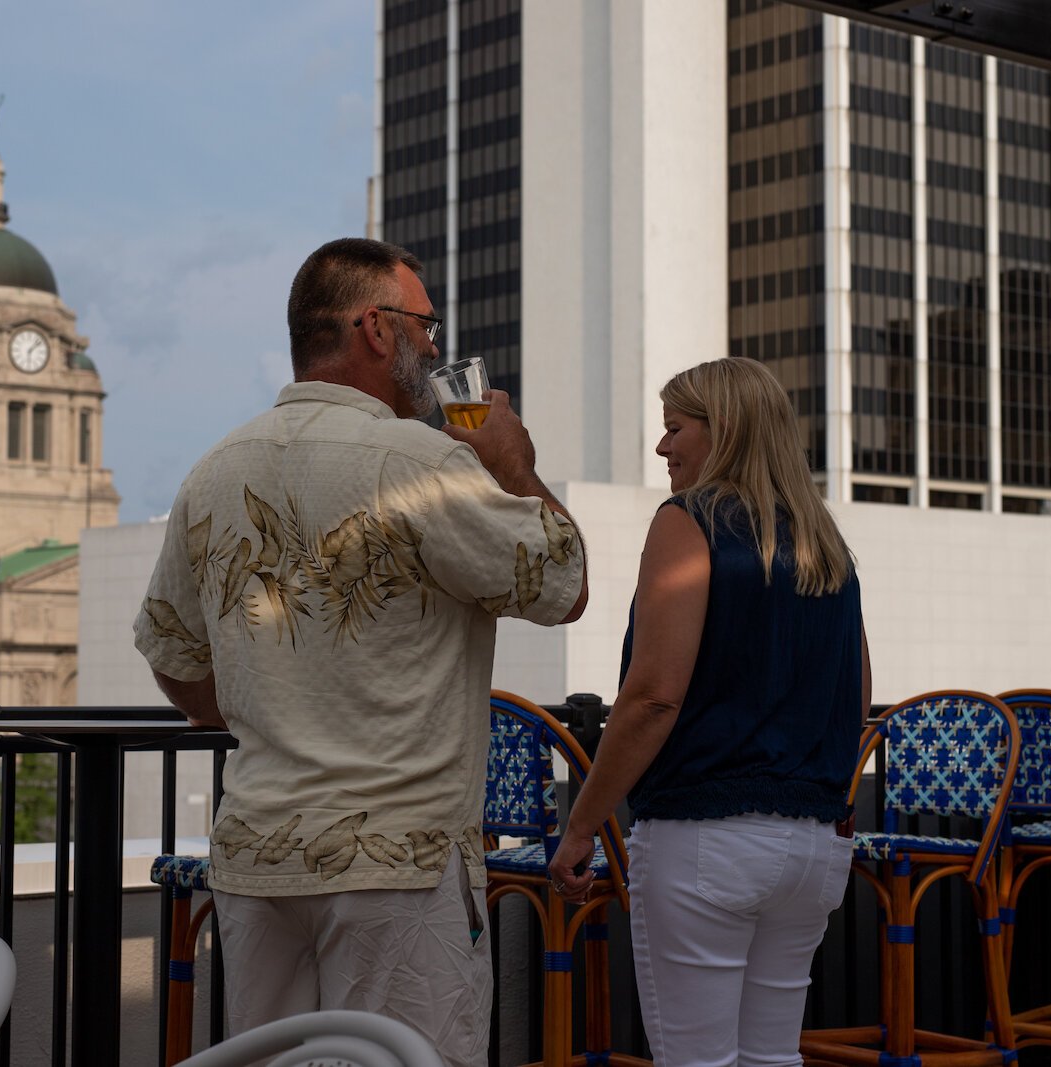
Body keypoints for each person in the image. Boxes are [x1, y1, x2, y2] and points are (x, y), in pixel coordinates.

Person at [133, 237, 588, 1065]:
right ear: (375, 328)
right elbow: (562, 583)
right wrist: (516, 466)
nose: (437, 346)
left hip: (259, 856)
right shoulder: (424, 461)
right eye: (427, 323)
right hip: (399, 861)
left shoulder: (212, 470)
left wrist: (254, 709)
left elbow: (171, 652)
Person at [547, 357, 870, 1067]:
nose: (663, 448)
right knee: (771, 1057)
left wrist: (581, 826)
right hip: (813, 849)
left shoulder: (688, 520)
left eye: (674, 428)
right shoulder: (825, 540)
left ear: (720, 431)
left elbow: (653, 695)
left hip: (707, 842)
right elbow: (856, 697)